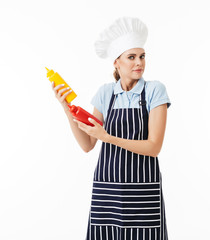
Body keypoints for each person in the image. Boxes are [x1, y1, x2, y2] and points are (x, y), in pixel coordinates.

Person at [51, 17, 170, 240]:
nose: (139, 63)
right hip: (108, 190)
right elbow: (87, 144)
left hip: (142, 192)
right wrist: (67, 108)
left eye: (142, 56)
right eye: (131, 57)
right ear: (116, 62)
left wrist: (107, 137)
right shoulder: (106, 93)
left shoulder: (155, 91)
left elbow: (154, 147)